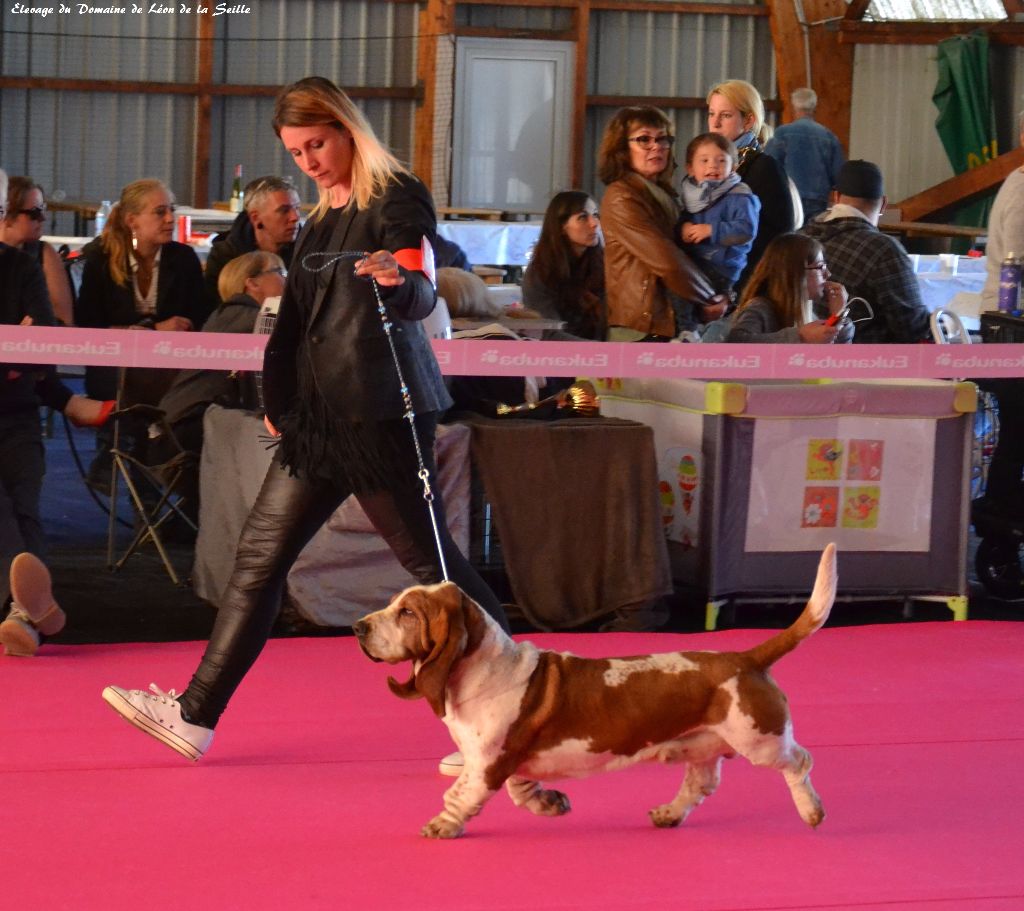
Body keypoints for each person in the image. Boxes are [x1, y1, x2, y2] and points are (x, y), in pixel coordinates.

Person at [101, 76, 511, 761]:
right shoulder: (319, 220)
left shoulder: (397, 196)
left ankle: (515, 707)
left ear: (347, 129)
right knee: (258, 561)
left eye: (316, 144)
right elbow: (293, 321)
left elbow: (420, 292)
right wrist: (278, 400)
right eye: (296, 152)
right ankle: (194, 714)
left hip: (380, 416)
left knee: (436, 569)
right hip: (319, 423)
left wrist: (399, 281)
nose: (309, 162)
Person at [0, 168, 112, 657]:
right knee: (4, 506)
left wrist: (20, 353)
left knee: (24, 503)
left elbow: (43, 341)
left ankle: (23, 616)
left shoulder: (23, 266)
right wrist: (14, 346)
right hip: (21, 396)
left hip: (19, 409)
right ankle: (26, 611)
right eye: (31, 213)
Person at [148, 250, 288, 522]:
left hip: (169, 433)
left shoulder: (226, 315)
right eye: (280, 272)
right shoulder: (251, 319)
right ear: (252, 283)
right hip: (188, 436)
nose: (287, 279)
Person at [597, 105, 722, 341]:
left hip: (667, 321)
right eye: (644, 139)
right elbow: (667, 260)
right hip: (641, 328)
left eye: (662, 139)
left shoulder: (664, 194)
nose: (657, 146)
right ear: (622, 148)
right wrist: (710, 297)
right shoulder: (621, 196)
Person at [802, 159, 930, 344]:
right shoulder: (883, 250)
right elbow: (912, 327)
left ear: (836, 197)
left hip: (799, 351)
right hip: (862, 357)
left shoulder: (800, 237)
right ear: (883, 203)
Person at [707, 80, 796, 290]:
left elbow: (778, 237)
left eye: (725, 115)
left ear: (748, 121)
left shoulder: (764, 168)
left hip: (747, 285)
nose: (715, 123)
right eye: (711, 114)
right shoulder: (711, 165)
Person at [725, 232, 853, 344]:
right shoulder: (759, 308)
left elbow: (832, 355)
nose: (827, 274)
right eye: (820, 267)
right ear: (794, 273)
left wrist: (837, 316)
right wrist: (800, 337)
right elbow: (736, 342)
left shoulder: (808, 312)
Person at [679, 132, 760, 299]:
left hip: (721, 268)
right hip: (695, 260)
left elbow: (746, 230)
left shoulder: (740, 196)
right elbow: (685, 217)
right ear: (690, 169)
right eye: (704, 160)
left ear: (733, 168)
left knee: (679, 291)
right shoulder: (693, 194)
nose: (713, 166)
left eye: (721, 161)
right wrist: (683, 227)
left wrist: (711, 230)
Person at [203, 175, 301, 312]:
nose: (295, 217)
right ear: (256, 218)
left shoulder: (309, 251)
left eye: (297, 208)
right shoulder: (225, 255)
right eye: (284, 210)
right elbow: (216, 310)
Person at [521, 190, 606, 340]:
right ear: (561, 226)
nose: (595, 224)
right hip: (561, 352)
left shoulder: (605, 264)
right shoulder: (540, 273)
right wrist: (602, 350)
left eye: (595, 215)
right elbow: (548, 332)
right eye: (583, 217)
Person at [0, 176, 75, 326]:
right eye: (34, 213)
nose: (42, 218)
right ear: (7, 215)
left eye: (43, 209)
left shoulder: (41, 255)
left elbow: (63, 320)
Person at [765, 88, 845, 225]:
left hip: (788, 197)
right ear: (814, 107)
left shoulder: (782, 134)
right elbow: (839, 176)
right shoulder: (829, 137)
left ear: (793, 107)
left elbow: (769, 167)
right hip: (817, 201)